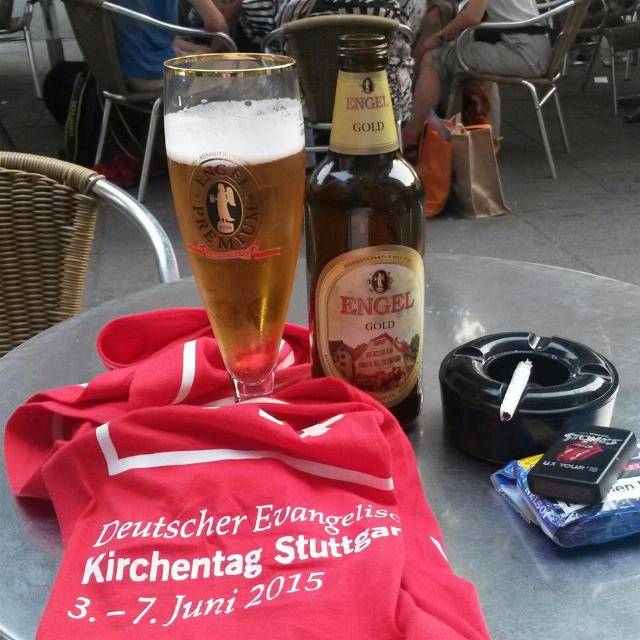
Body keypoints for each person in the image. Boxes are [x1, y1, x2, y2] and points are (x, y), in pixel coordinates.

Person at [241, 0, 424, 122]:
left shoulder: (294, 8)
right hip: (382, 103)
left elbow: (260, 31)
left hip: (306, 104)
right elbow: (411, 31)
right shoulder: (398, 5)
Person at [404, 0, 552, 142]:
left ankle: (410, 138)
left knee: (435, 58)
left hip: (522, 52)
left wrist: (439, 37)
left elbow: (472, 16)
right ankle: (484, 142)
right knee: (464, 48)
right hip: (536, 46)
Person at [114, 0, 235, 93]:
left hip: (120, 74)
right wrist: (217, 54)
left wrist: (206, 51)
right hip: (163, 77)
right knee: (237, 69)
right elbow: (217, 25)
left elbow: (161, 38)